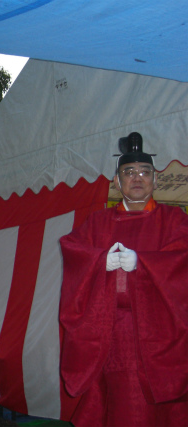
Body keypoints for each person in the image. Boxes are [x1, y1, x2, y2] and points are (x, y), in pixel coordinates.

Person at [59, 132, 188, 427]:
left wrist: (143, 264)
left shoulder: (175, 221)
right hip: (112, 335)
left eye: (145, 172)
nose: (137, 178)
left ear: (155, 180)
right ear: (117, 182)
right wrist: (99, 261)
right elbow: (73, 249)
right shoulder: (98, 222)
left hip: (162, 336)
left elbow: (183, 260)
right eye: (129, 172)